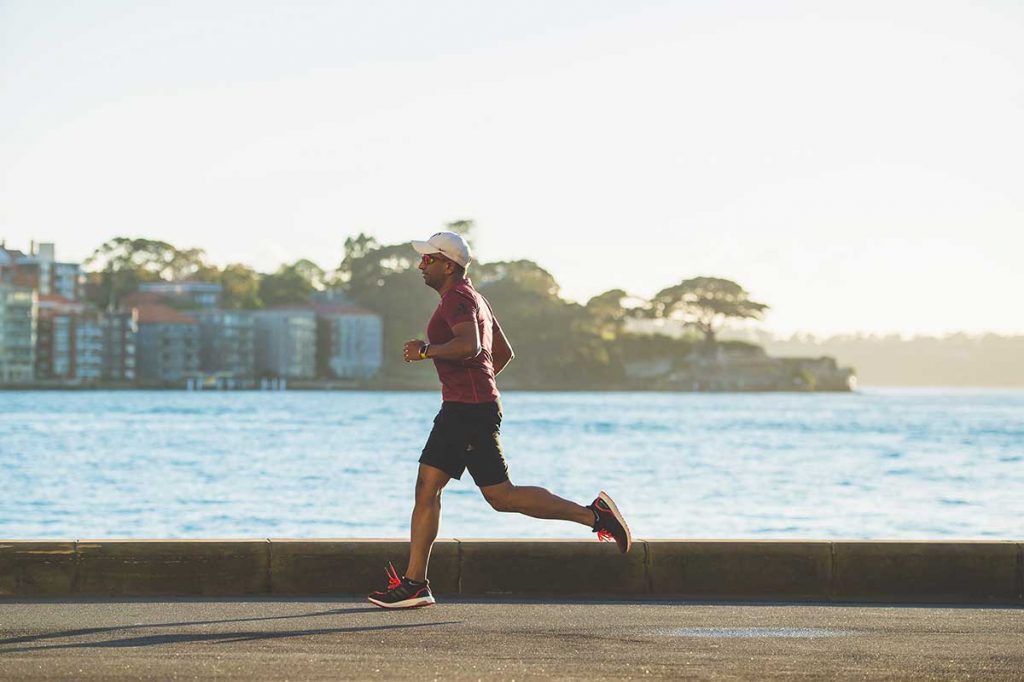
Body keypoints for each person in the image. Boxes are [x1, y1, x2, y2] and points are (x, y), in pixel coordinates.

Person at [367, 231, 631, 609]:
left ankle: (595, 516)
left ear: (448, 264)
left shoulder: (458, 299)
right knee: (440, 490)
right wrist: (478, 385)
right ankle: (415, 583)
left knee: (495, 495)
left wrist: (426, 351)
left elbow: (472, 347)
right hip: (467, 408)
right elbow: (502, 353)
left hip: (466, 411)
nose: (420, 265)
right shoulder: (475, 299)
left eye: (428, 259)